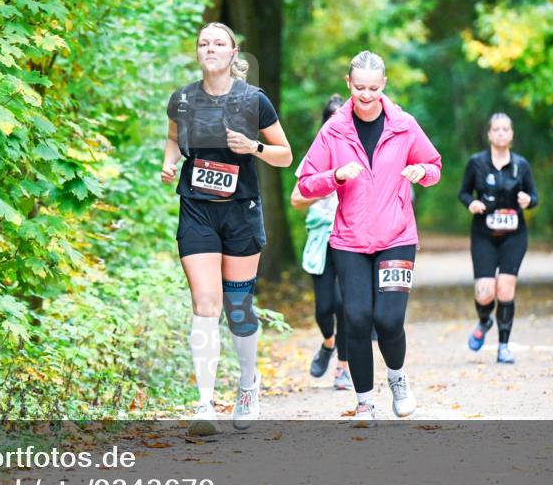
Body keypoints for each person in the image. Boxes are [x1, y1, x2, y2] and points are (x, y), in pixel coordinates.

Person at [162, 23, 292, 435]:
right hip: (197, 209)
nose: (210, 48)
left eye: (219, 43)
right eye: (203, 43)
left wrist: (252, 147)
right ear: (197, 52)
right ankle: (204, 406)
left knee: (237, 310)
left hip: (241, 211)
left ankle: (248, 384)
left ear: (234, 54)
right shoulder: (182, 99)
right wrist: (169, 163)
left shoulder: (253, 101)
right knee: (205, 303)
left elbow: (285, 155)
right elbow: (171, 138)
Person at [296, 50, 441, 421]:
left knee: (389, 320)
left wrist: (421, 171)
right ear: (348, 84)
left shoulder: (405, 125)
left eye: (373, 88)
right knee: (357, 318)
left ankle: (397, 378)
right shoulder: (334, 129)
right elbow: (306, 183)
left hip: (397, 236)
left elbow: (435, 166)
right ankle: (364, 401)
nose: (365, 95)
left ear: (384, 85)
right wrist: (335, 177)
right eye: (359, 87)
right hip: (350, 240)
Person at [458, 113, 538, 364]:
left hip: (514, 236)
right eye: (497, 129)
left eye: (506, 129)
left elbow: (534, 197)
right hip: (484, 235)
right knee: (484, 293)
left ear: (511, 134)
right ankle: (485, 320)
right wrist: (472, 203)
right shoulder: (477, 163)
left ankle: (503, 346)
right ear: (490, 134)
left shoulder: (521, 165)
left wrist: (528, 201)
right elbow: (463, 193)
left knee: (505, 288)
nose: (502, 133)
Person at [290, 94, 353, 390]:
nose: (336, 120)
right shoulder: (316, 155)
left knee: (345, 304)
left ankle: (343, 368)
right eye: (331, 116)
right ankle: (329, 343)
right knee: (324, 308)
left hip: (351, 238)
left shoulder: (359, 152)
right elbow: (296, 198)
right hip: (321, 240)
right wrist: (325, 187)